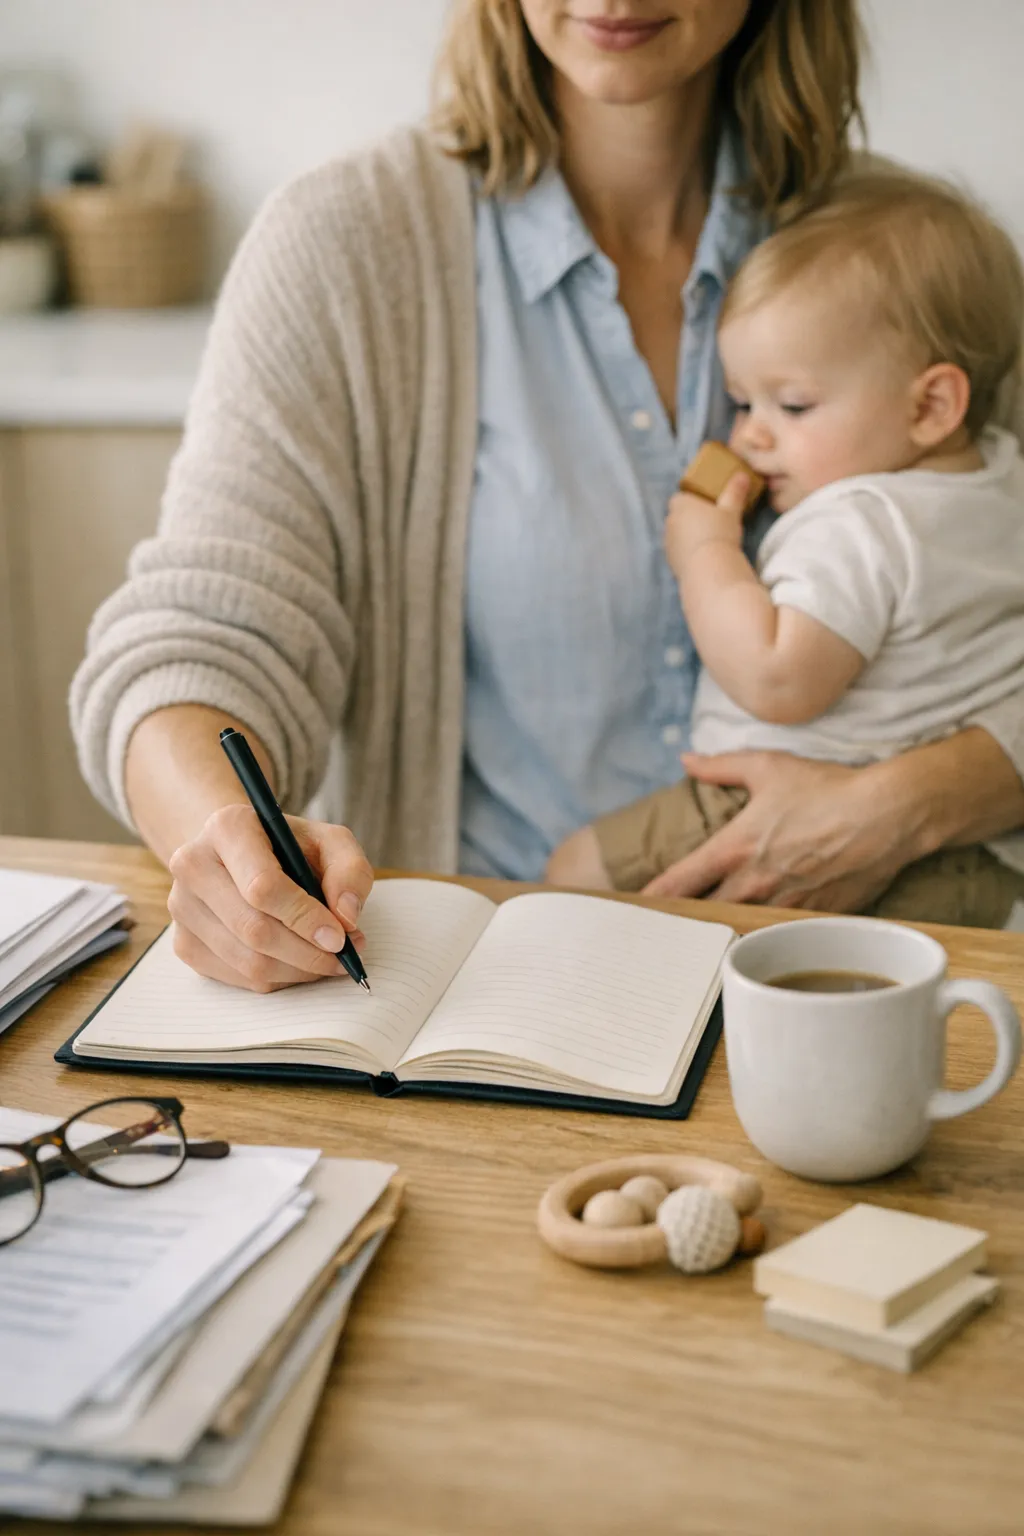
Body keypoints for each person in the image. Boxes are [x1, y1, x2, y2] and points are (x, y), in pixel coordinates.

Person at [71, 0, 1024, 995]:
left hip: (862, 991)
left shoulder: (917, 259)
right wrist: (224, 850)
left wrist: (907, 805)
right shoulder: (348, 242)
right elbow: (198, 640)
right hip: (494, 992)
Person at [547, 171, 1024, 927]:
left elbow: (777, 678)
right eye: (743, 403)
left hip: (765, 808)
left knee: (571, 877)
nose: (750, 436)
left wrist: (704, 550)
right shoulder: (1002, 484)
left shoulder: (859, 521)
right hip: (977, 858)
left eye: (792, 404)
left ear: (933, 405)